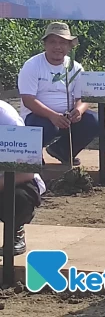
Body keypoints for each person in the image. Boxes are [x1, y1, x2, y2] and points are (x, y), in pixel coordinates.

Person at [17, 22, 99, 166]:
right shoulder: (32, 65)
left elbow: (83, 97)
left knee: (95, 121)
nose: (57, 47)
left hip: (67, 117)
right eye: (53, 42)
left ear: (69, 46)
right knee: (47, 126)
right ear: (45, 44)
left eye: (62, 42)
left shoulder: (76, 67)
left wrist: (78, 111)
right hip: (38, 117)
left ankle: (63, 150)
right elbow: (28, 99)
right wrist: (52, 116)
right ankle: (33, 156)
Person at [0, 99, 46, 255]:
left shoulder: (5, 116)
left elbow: (26, 171)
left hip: (11, 178)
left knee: (18, 197)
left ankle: (16, 231)